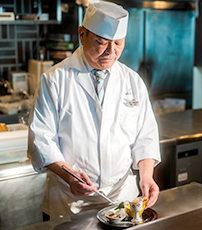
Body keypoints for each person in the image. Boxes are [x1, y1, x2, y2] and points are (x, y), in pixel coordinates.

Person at [28, 0, 161, 220]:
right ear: (82, 34)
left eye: (118, 43)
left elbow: (145, 136)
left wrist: (147, 176)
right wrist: (69, 176)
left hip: (122, 198)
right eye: (101, 42)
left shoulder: (132, 81)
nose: (111, 51)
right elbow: (41, 140)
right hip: (72, 203)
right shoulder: (55, 80)